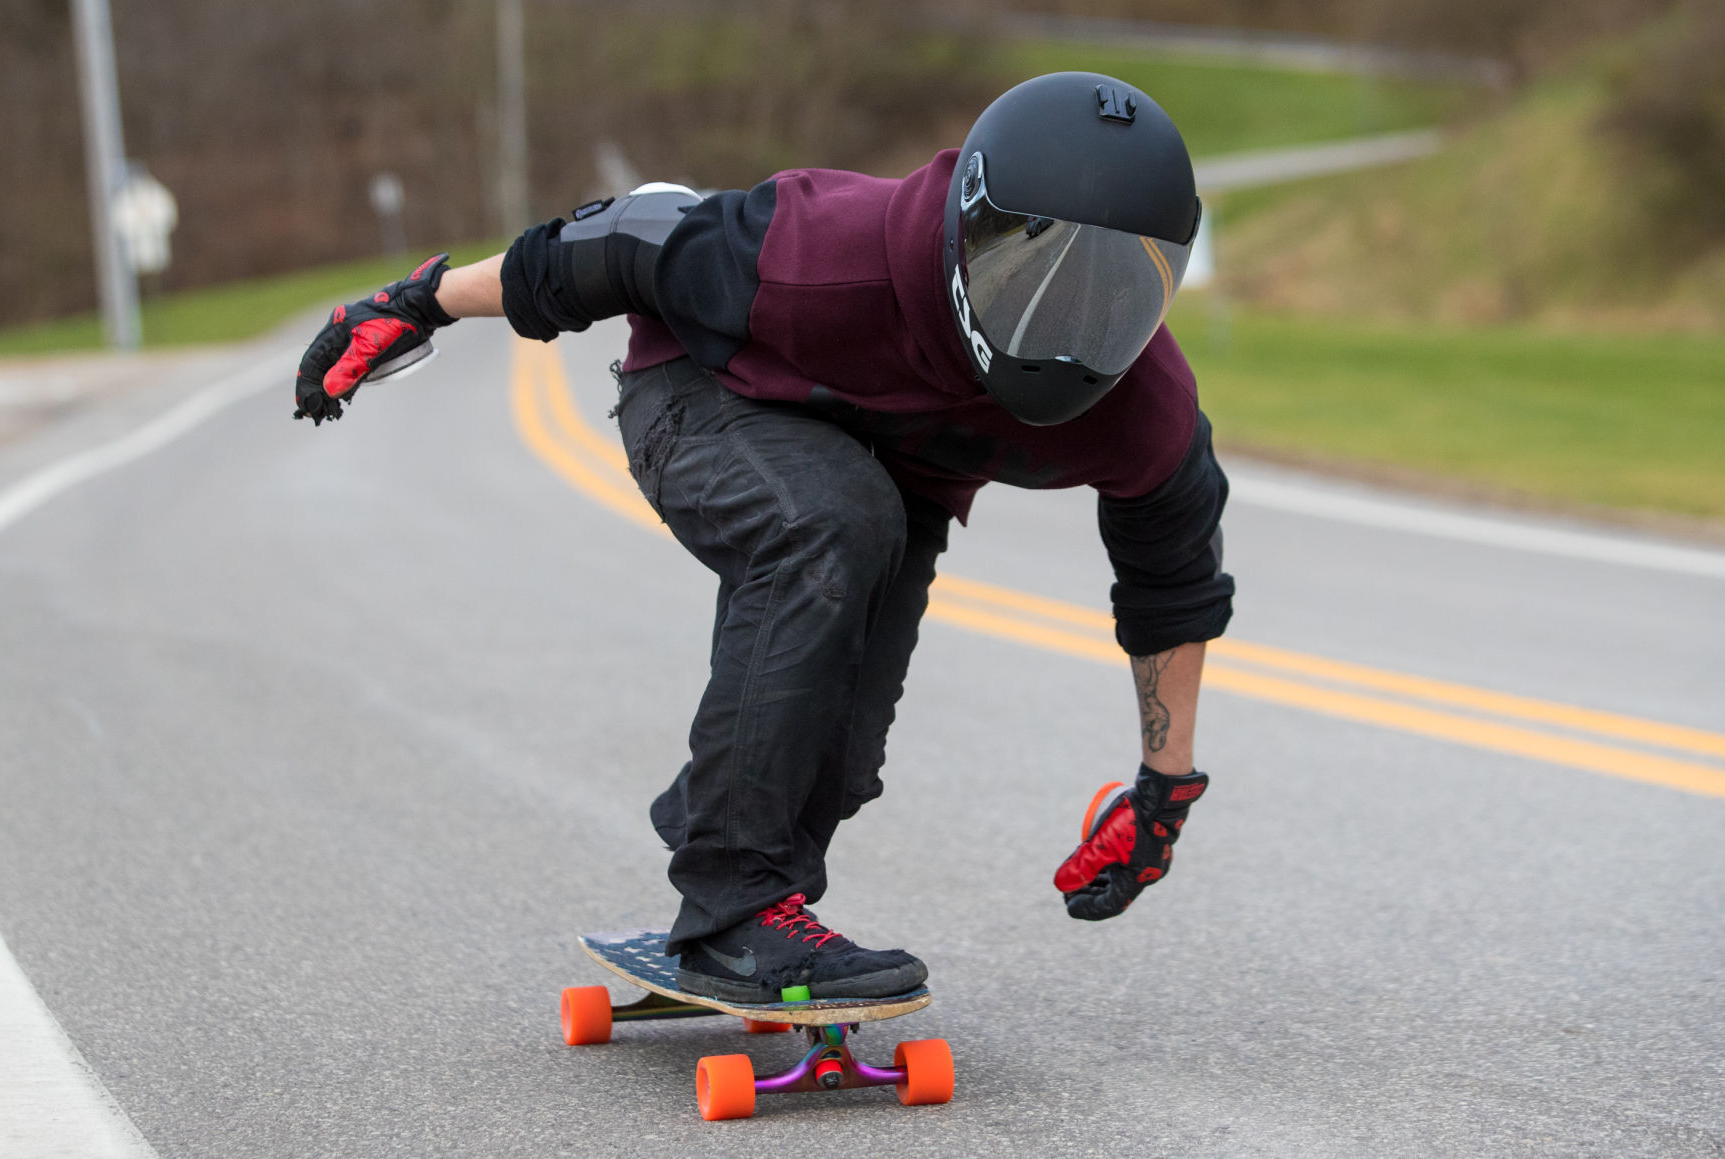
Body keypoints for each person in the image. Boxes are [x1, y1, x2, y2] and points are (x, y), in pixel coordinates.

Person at [293, 72, 1233, 1004]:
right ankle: (733, 908)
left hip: (888, 475)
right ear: (965, 230)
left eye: (1109, 291)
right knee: (830, 519)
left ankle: (760, 899)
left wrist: (1160, 794)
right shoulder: (821, 251)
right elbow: (614, 241)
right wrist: (418, 302)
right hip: (700, 395)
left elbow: (1172, 584)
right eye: (1031, 273)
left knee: (843, 746)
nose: (1065, 319)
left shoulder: (1140, 409)